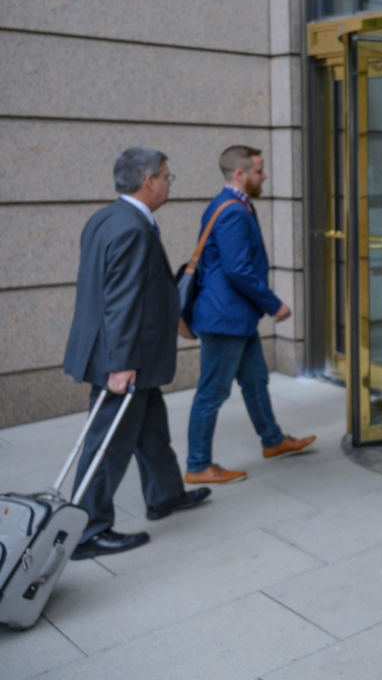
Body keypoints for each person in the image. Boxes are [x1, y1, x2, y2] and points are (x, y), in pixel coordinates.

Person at [63, 149, 211, 560]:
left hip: (128, 353)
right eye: (167, 176)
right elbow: (122, 301)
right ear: (149, 181)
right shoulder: (131, 229)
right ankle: (87, 530)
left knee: (151, 431)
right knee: (108, 444)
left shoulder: (107, 218)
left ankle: (165, 495)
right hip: (125, 358)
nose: (168, 183)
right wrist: (121, 364)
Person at [183, 146, 315, 484]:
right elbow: (238, 270)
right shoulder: (232, 212)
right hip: (226, 318)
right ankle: (198, 466)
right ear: (239, 174)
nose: (264, 176)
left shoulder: (231, 205)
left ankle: (273, 440)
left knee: (255, 380)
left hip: (235, 317)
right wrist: (274, 304)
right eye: (259, 170)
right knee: (212, 392)